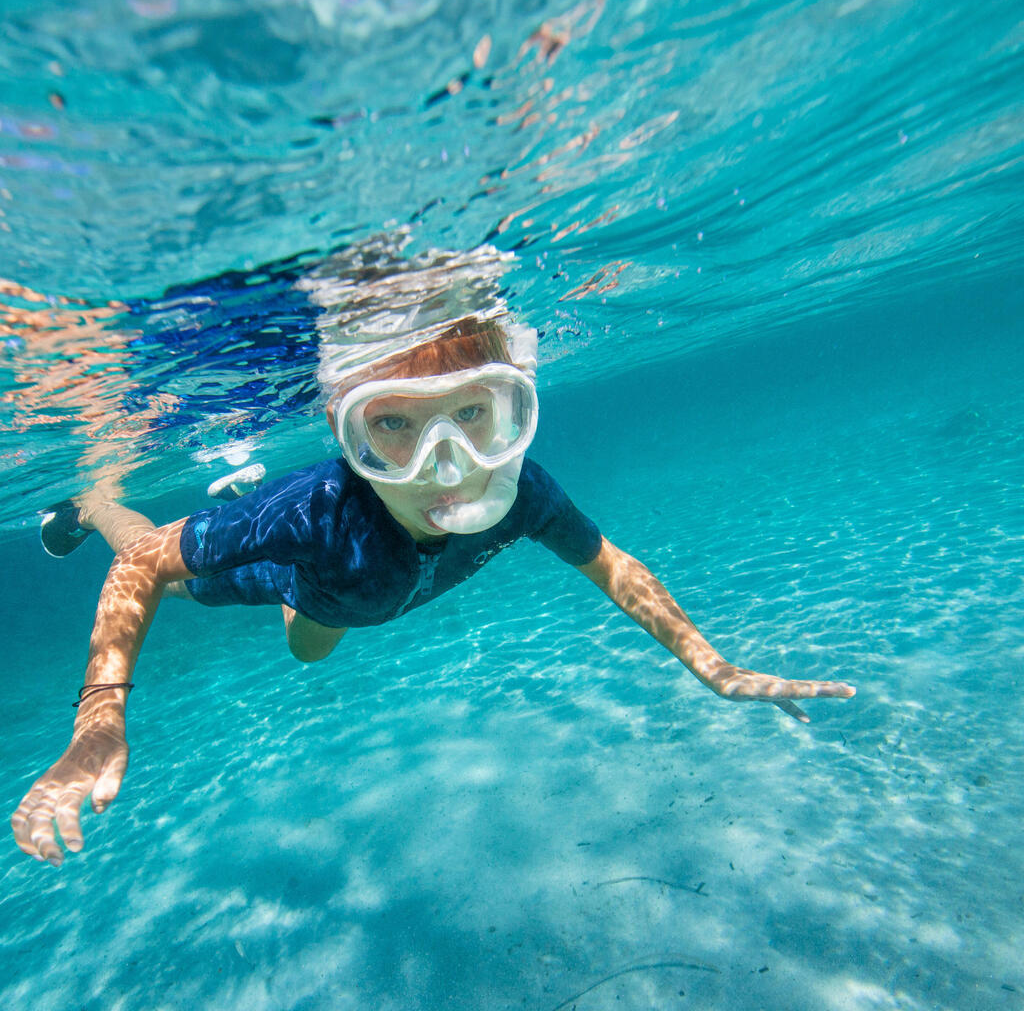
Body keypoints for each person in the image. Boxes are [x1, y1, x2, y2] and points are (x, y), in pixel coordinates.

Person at [10, 268, 855, 868]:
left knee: (312, 644)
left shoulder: (523, 490)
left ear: (513, 408)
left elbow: (613, 567)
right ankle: (92, 503)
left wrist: (712, 667)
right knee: (169, 566)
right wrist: (99, 716)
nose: (448, 467)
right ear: (354, 439)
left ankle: (261, 529)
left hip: (353, 601)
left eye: (474, 417)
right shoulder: (317, 511)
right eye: (396, 428)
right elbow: (142, 573)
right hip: (305, 573)